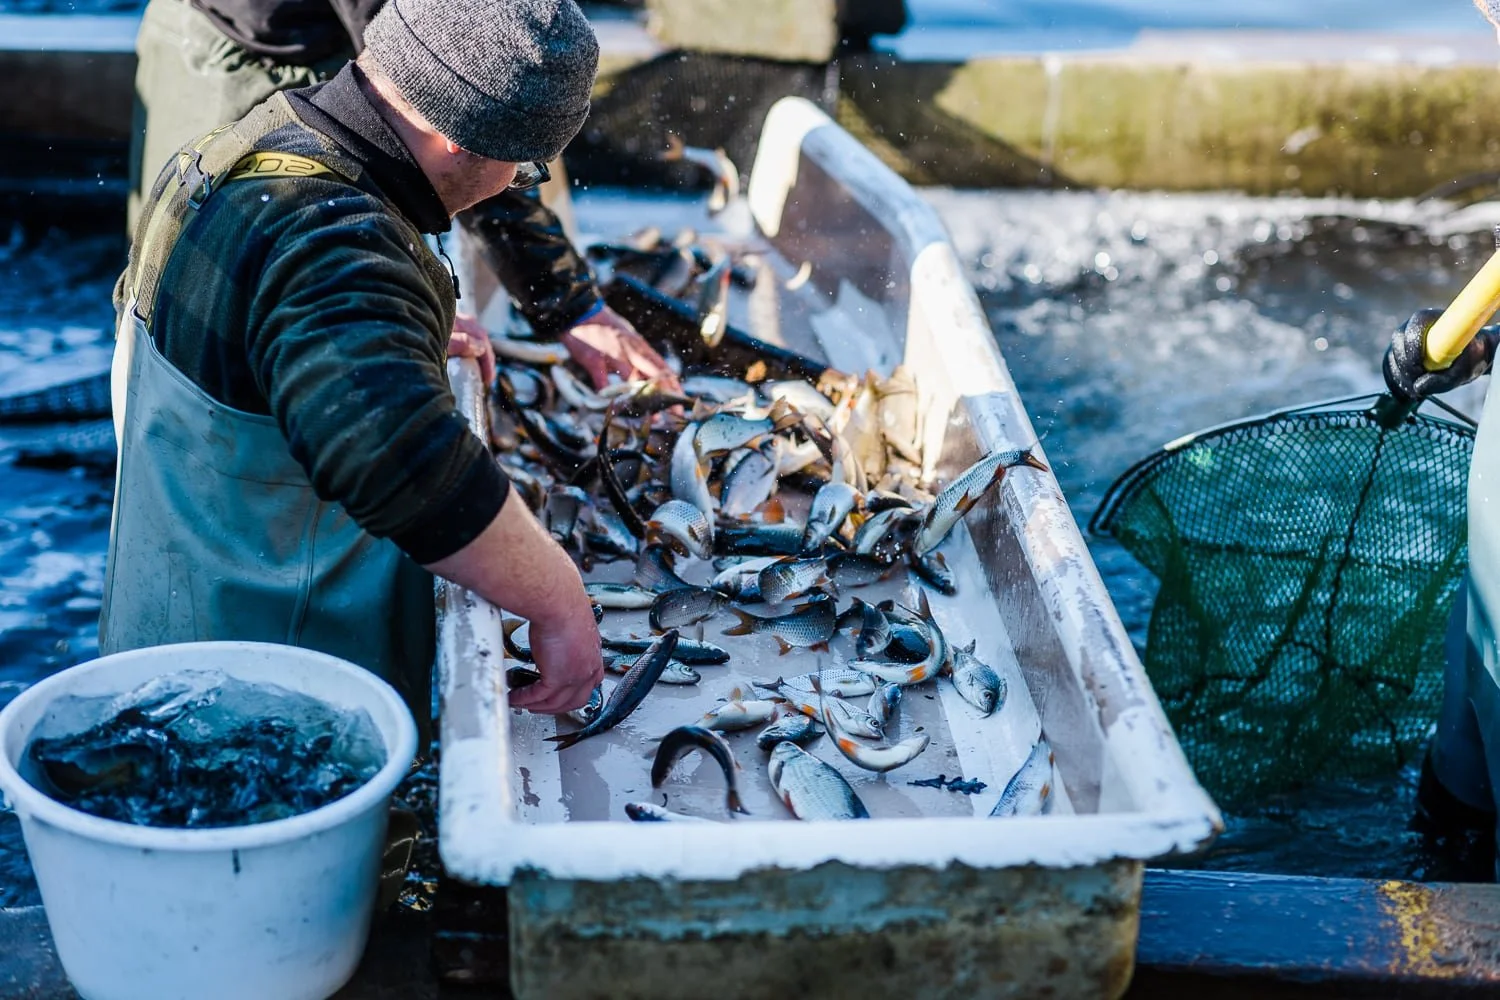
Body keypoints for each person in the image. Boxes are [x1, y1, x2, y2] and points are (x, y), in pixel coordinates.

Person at [102, 0, 615, 731]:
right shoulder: (333, 241)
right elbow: (395, 456)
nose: (515, 183)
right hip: (264, 710)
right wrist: (557, 597)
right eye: (522, 166)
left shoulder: (245, 143)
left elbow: (238, 338)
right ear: (456, 141)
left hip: (151, 651)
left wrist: (381, 341)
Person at [126, 0, 673, 392]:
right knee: (208, 327)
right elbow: (467, 106)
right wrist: (570, 304)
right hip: (240, 51)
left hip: (358, 47)